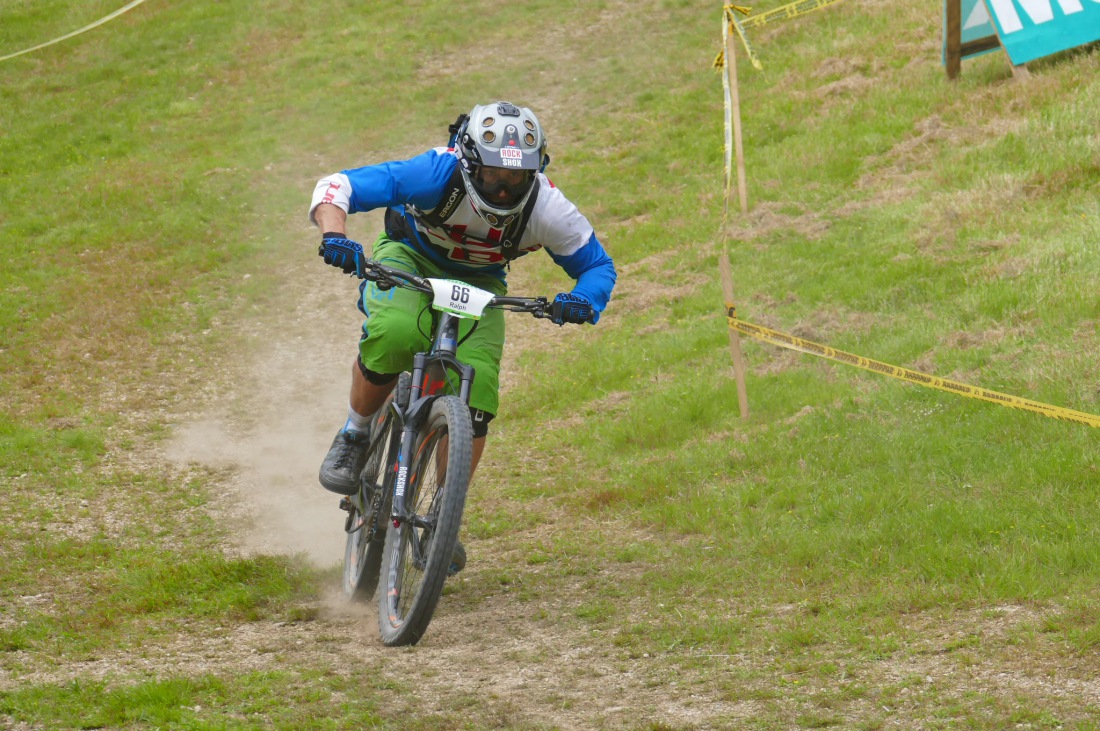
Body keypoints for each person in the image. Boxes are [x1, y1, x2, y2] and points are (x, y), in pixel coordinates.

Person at [309, 101, 617, 510]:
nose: (505, 189)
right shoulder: (436, 173)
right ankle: (354, 433)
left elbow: (597, 265)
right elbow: (338, 186)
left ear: (536, 171)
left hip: (480, 282)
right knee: (397, 333)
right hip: (408, 258)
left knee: (479, 383)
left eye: (517, 177)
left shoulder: (548, 207)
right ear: (470, 163)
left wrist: (583, 299)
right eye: (493, 175)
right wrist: (335, 236)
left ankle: (444, 511)